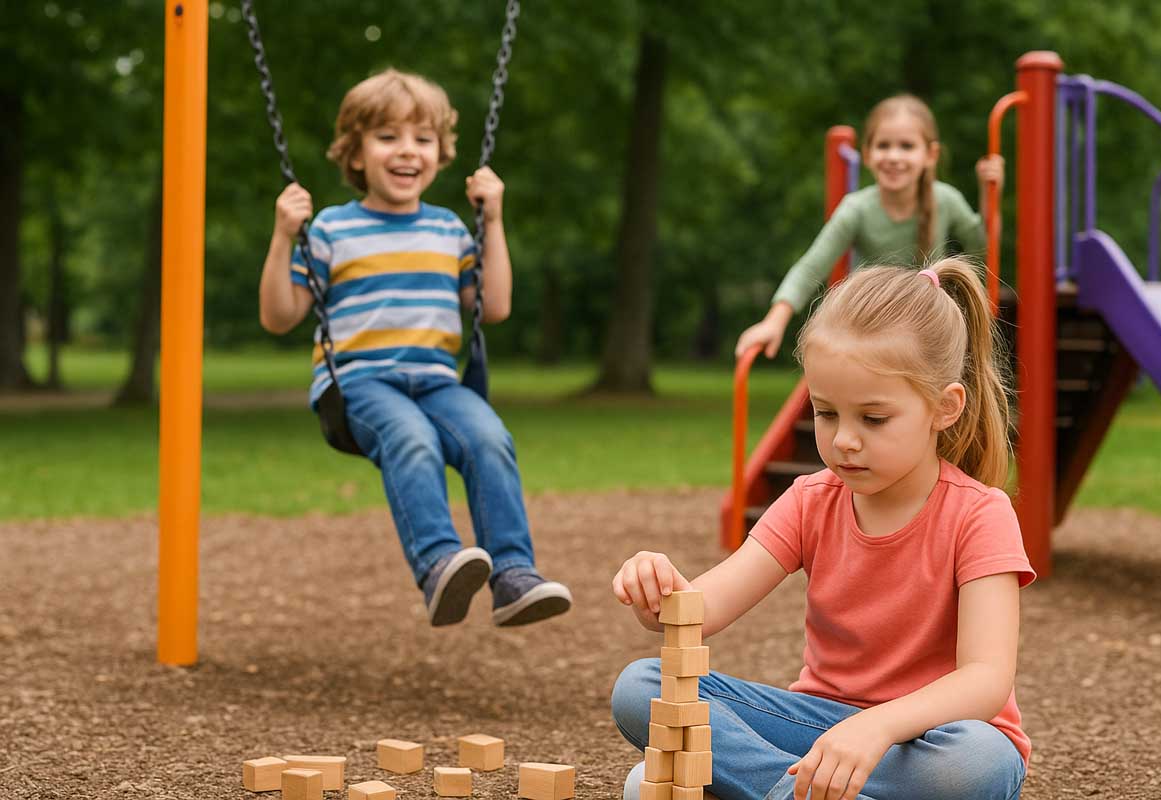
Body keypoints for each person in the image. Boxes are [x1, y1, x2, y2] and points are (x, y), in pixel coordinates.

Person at [612, 258, 1035, 799]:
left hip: (929, 742)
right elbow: (700, 609)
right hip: (811, 732)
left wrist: (876, 727)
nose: (844, 441)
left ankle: (746, 786)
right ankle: (806, 790)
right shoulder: (810, 500)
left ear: (944, 408)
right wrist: (658, 590)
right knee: (641, 688)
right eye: (826, 414)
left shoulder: (981, 514)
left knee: (979, 764)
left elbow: (985, 680)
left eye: (873, 419)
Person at [258, 68, 571, 628]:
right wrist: (284, 237)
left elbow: (493, 306)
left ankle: (514, 575)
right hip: (359, 383)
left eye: (422, 139)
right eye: (388, 137)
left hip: (436, 382)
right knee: (412, 438)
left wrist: (492, 220)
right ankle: (438, 564)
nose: (407, 151)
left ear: (441, 153)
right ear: (355, 154)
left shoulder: (451, 230)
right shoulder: (331, 229)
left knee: (489, 438)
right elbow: (279, 316)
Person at [735, 94, 1004, 361]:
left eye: (907, 146)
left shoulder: (945, 200)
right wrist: (774, 321)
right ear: (867, 154)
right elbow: (812, 266)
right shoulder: (857, 209)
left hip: (924, 325)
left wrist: (988, 195)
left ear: (930, 155)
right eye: (883, 146)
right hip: (871, 326)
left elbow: (981, 248)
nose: (894, 156)